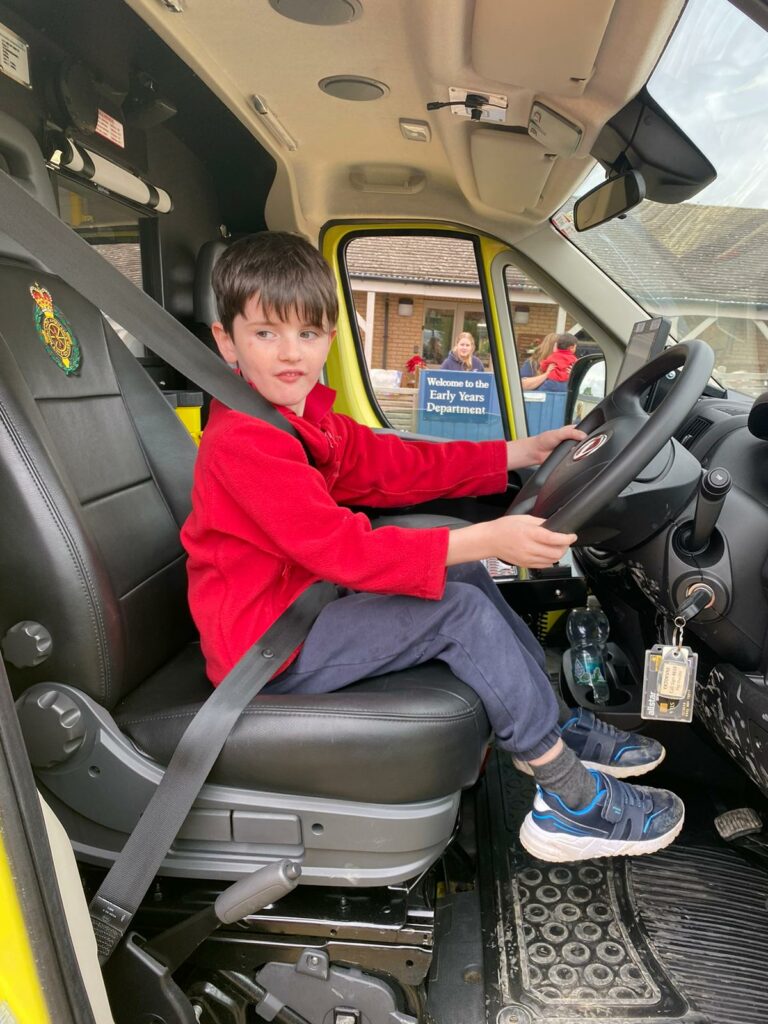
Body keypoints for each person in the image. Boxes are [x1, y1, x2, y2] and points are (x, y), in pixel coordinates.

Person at [181, 232, 683, 863]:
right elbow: (347, 551)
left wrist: (512, 455)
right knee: (459, 614)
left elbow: (393, 462)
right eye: (265, 334)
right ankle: (570, 802)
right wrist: (493, 534)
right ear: (226, 341)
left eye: (308, 334)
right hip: (263, 646)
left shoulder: (300, 418)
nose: (290, 353)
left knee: (464, 573)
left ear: (331, 340)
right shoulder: (245, 441)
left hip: (300, 605)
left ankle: (554, 719)